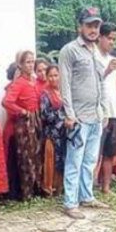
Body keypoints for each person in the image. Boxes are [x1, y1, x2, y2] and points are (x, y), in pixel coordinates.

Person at [57, 5, 107, 218]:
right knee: (74, 161)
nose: (93, 30)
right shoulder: (69, 50)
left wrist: (104, 110)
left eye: (96, 26)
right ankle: (70, 202)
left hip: (95, 116)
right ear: (80, 27)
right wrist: (70, 114)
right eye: (89, 25)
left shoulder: (96, 50)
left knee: (90, 160)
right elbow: (65, 84)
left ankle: (86, 196)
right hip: (78, 117)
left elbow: (100, 82)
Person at [2, 49, 43, 200]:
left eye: (32, 62)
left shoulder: (34, 81)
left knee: (37, 154)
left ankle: (37, 187)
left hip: (36, 120)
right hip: (25, 123)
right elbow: (6, 102)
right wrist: (22, 111)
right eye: (27, 62)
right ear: (20, 65)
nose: (31, 65)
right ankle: (26, 191)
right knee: (26, 156)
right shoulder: (19, 83)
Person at [96, 24, 116, 195]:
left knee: (109, 152)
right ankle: (87, 188)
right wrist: (107, 70)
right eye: (109, 38)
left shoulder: (114, 61)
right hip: (98, 111)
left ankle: (106, 187)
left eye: (114, 39)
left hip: (114, 111)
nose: (112, 42)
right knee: (94, 152)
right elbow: (92, 82)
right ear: (100, 37)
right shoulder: (92, 57)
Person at [40, 64, 68, 195]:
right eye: (50, 76)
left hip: (66, 132)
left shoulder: (65, 91)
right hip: (52, 132)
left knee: (64, 157)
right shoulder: (45, 94)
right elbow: (45, 114)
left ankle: (62, 186)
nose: (53, 79)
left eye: (56, 75)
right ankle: (50, 188)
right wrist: (62, 117)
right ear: (47, 77)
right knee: (52, 159)